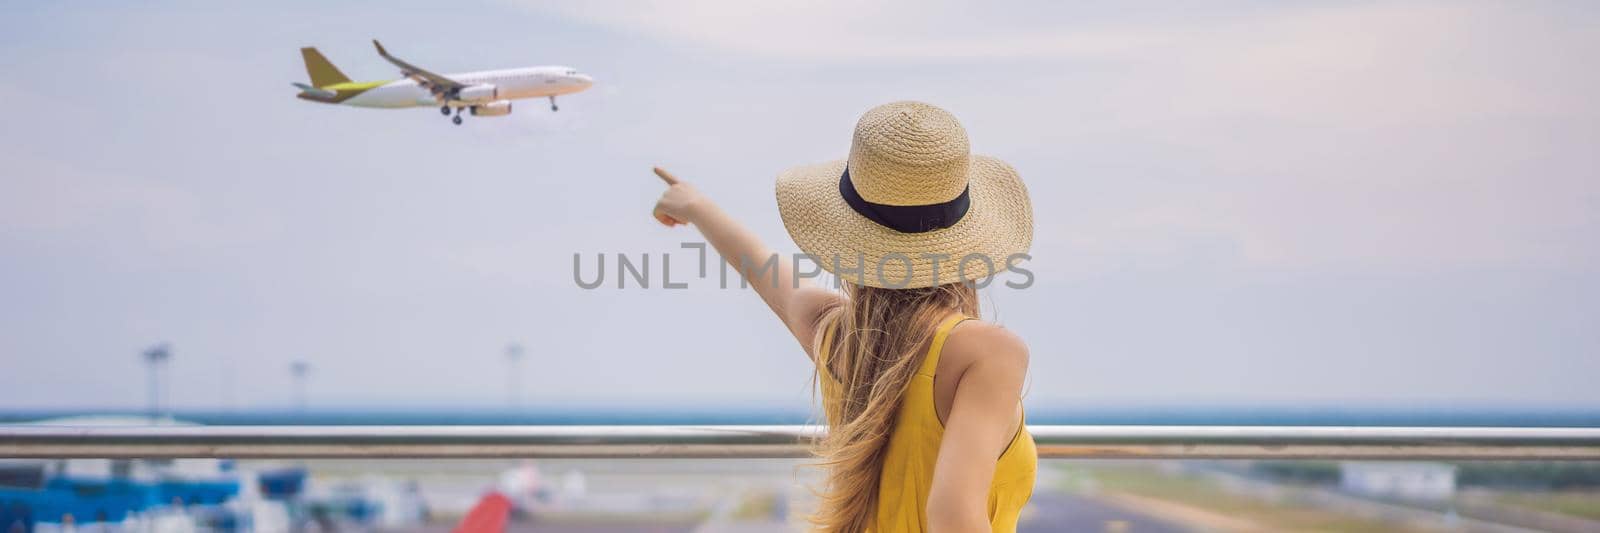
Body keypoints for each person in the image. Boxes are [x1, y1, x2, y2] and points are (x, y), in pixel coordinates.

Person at [651, 101, 1035, 532]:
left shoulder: (838, 336)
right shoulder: (988, 353)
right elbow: (952, 518)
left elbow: (761, 267)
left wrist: (695, 206)